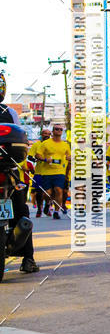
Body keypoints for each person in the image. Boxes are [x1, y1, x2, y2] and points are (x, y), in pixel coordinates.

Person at [0, 74, 38, 272]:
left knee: (21, 209)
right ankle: (28, 259)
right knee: (21, 209)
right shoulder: (9, 112)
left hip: (8, 170)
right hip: (9, 169)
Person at [36, 124, 70, 220]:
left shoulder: (65, 145)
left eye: (60, 129)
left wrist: (69, 158)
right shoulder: (45, 143)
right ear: (53, 131)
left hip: (60, 171)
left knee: (59, 190)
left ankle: (56, 211)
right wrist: (45, 159)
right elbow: (37, 155)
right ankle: (48, 202)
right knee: (47, 193)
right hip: (46, 172)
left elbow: (70, 156)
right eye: (56, 129)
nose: (58, 130)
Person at [28, 129, 51, 217]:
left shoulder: (52, 144)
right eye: (45, 133)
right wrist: (35, 160)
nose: (47, 135)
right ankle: (39, 209)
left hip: (50, 171)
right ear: (41, 134)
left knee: (50, 191)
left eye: (49, 134)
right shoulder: (36, 144)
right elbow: (30, 156)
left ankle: (48, 206)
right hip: (39, 172)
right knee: (39, 192)